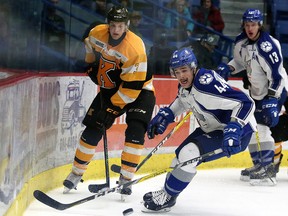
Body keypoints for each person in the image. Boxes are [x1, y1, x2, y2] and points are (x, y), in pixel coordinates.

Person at [142, 46, 257, 212]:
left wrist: (234, 127)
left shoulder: (206, 84)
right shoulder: (184, 87)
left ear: (193, 68)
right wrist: (167, 115)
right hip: (213, 128)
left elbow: (246, 103)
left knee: (189, 154)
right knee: (180, 158)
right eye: (177, 72)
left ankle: (166, 197)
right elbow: (182, 101)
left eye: (184, 70)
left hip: (237, 131)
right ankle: (167, 194)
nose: (181, 76)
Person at [63, 6, 155, 198]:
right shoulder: (97, 32)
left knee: (135, 130)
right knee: (93, 127)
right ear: (108, 23)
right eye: (113, 25)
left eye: (120, 26)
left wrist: (112, 110)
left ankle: (126, 179)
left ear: (127, 26)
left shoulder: (135, 48)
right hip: (113, 87)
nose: (115, 30)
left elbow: (132, 88)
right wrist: (91, 64)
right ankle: (75, 173)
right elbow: (90, 47)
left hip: (140, 90)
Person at [216, 9, 287, 185]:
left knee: (264, 129)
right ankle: (259, 165)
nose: (250, 28)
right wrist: (229, 68)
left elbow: (278, 77)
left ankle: (268, 168)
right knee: (253, 128)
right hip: (256, 93)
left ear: (259, 25)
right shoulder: (241, 41)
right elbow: (240, 62)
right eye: (247, 25)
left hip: (275, 91)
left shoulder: (268, 46)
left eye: (253, 25)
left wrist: (273, 99)